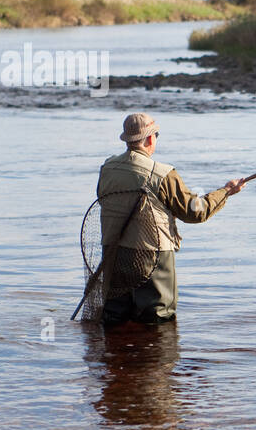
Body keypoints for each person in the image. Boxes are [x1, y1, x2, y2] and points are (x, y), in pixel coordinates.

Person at [97, 113, 245, 325]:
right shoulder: (162, 173)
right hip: (152, 255)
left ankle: (116, 356)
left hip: (113, 252)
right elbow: (195, 212)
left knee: (116, 317)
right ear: (149, 139)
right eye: (156, 134)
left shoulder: (107, 167)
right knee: (158, 318)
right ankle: (158, 357)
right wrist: (226, 191)